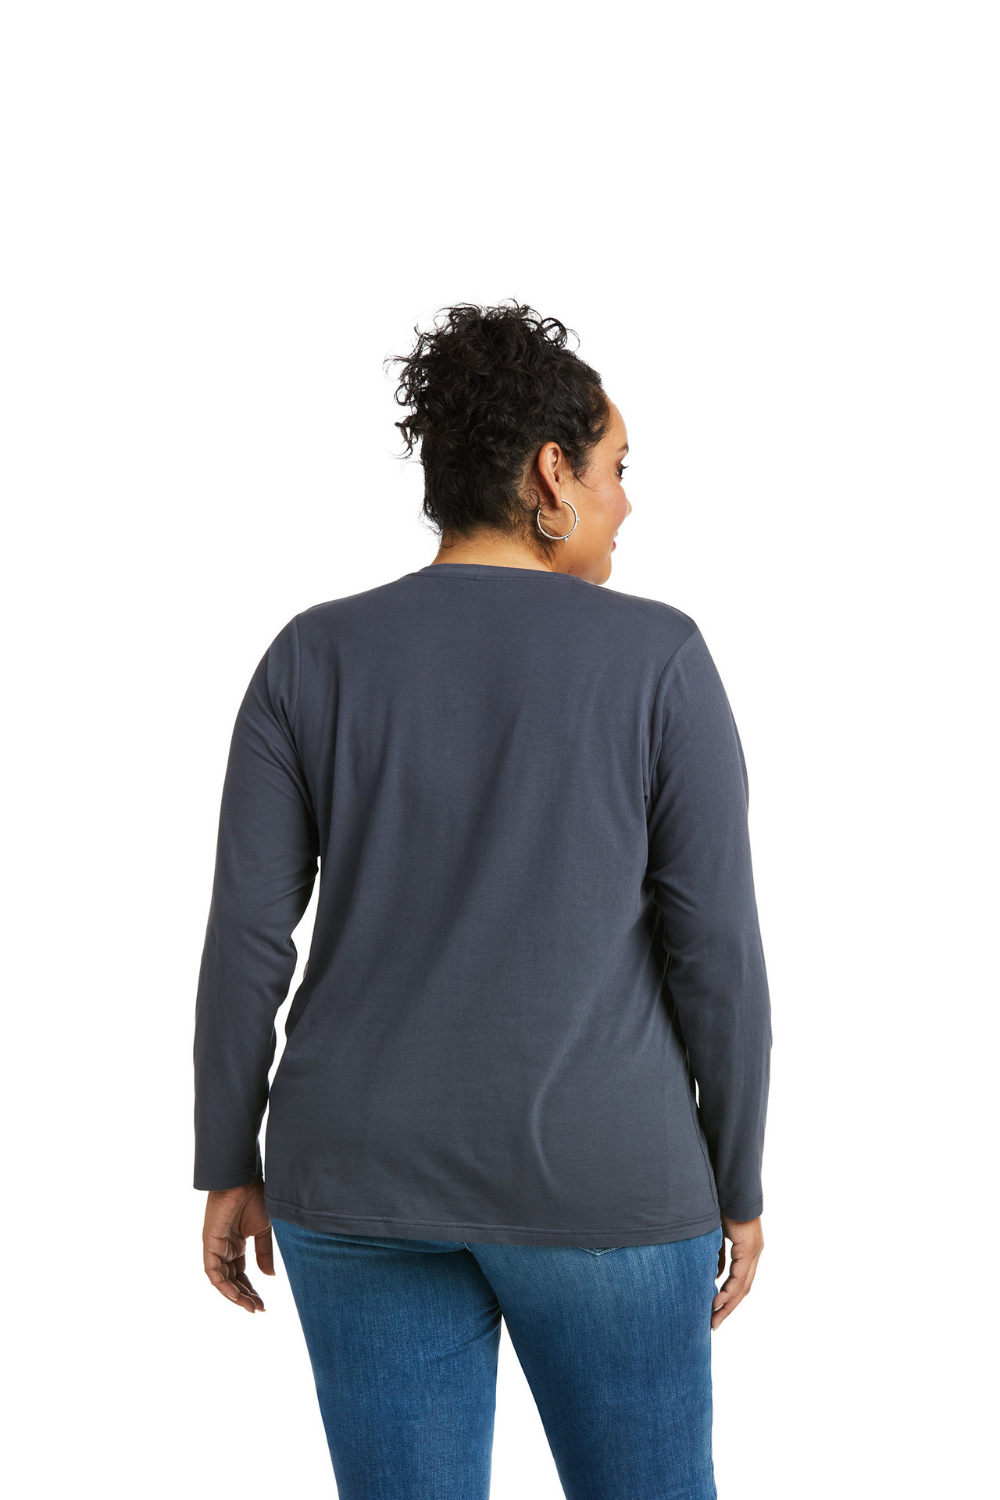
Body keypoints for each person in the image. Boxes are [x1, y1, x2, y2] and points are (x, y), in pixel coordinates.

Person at [193, 301, 772, 1500]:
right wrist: (739, 1179)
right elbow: (714, 950)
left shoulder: (310, 656)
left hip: (355, 1175)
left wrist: (225, 1154)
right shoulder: (659, 660)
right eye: (617, 470)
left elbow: (248, 936)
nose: (625, 504)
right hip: (606, 1182)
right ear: (551, 474)